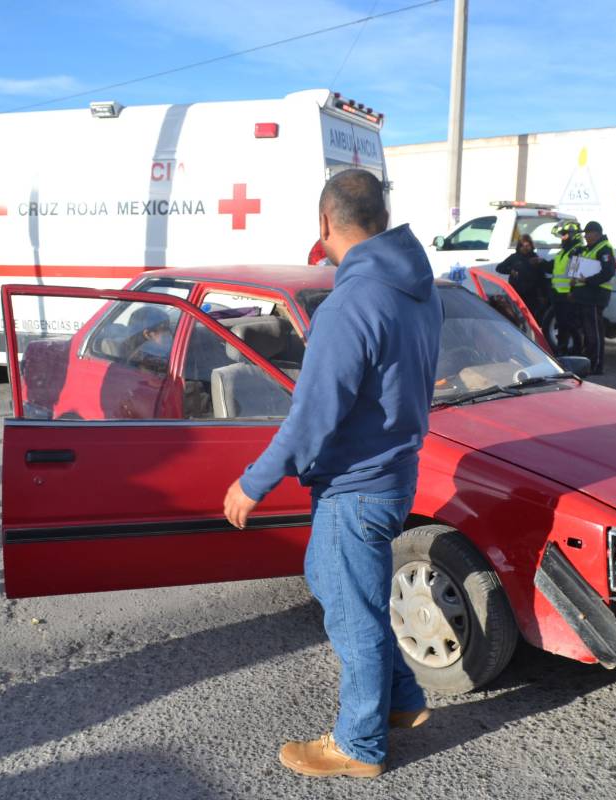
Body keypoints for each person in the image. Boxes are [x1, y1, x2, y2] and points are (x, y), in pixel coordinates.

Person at [222, 169, 442, 778]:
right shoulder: (418, 288)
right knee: (338, 587)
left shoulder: (351, 302)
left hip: (356, 485)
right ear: (382, 218)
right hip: (393, 473)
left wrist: (254, 481)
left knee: (352, 615)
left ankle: (359, 745)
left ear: (325, 222)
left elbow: (312, 414)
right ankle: (402, 700)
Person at [571, 221, 616, 375]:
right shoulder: (589, 249)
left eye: (587, 233)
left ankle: (596, 365)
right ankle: (588, 362)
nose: (585, 237)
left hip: (596, 294)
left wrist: (588, 280)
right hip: (586, 294)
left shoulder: (604, 248)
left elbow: (608, 272)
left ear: (595, 234)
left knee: (594, 332)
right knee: (587, 331)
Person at [544, 220, 584, 355]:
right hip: (558, 294)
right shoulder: (563, 252)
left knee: (571, 325)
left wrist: (573, 292)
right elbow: (553, 267)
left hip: (569, 295)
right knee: (562, 324)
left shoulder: (577, 251)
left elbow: (576, 273)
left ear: (573, 234)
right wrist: (539, 263)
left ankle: (576, 352)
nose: (562, 238)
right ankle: (562, 350)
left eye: (564, 234)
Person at [495, 234, 549, 321]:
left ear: (531, 246)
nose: (525, 248)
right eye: (523, 246)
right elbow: (499, 268)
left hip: (532, 293)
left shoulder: (535, 258)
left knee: (532, 316)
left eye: (527, 245)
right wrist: (510, 270)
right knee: (516, 315)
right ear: (519, 247)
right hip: (516, 292)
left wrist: (542, 295)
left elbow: (541, 277)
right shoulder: (514, 257)